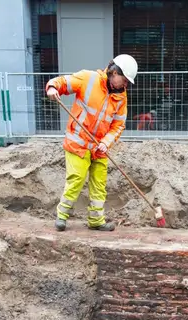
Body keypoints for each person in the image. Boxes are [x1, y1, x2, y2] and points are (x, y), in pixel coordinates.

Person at [45, 54, 138, 232]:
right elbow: (63, 82)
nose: (125, 85)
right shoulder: (88, 78)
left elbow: (118, 125)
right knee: (76, 180)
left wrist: (106, 142)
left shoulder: (121, 98)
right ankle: (62, 215)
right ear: (114, 72)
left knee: (99, 184)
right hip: (78, 144)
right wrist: (52, 88)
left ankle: (96, 220)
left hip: (99, 148)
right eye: (124, 80)